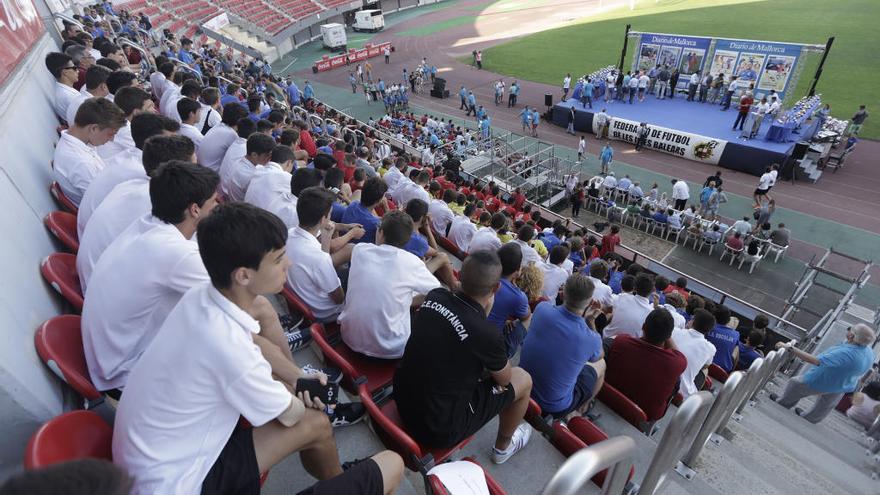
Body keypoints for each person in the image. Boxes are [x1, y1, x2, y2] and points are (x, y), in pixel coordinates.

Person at [112, 202, 403, 494]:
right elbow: (290, 414)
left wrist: (297, 377)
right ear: (243, 275)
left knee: (312, 417)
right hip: (180, 483)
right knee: (344, 436)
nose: (288, 264)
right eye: (278, 259)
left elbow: (254, 343)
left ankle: (337, 478)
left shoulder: (202, 297)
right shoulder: (229, 349)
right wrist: (299, 391)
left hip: (151, 461)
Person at [82, 161, 218, 393]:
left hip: (107, 355)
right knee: (228, 332)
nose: (218, 206)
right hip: (121, 374)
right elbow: (235, 297)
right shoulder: (174, 253)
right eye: (214, 202)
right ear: (195, 209)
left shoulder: (147, 225)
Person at [394, 250, 534, 463]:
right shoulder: (487, 334)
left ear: (459, 276)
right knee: (522, 378)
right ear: (495, 288)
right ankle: (503, 448)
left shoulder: (435, 296)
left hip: (402, 400)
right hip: (438, 428)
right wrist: (483, 320)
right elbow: (505, 380)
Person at [339, 211, 441, 359]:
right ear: (406, 241)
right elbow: (437, 294)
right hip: (388, 352)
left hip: (347, 336)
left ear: (380, 232)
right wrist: (410, 302)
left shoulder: (360, 250)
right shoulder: (412, 262)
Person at [520, 274, 606, 419]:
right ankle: (579, 410)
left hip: (523, 384)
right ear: (589, 302)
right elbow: (599, 355)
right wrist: (590, 321)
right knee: (601, 364)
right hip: (555, 406)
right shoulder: (591, 339)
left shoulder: (542, 308)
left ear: (563, 292)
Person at [287, 187, 364, 323]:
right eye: (330, 215)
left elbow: (320, 262)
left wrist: (329, 236)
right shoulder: (319, 258)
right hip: (324, 313)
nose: (330, 218)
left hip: (303, 297)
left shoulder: (288, 234)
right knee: (361, 279)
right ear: (323, 219)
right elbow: (338, 298)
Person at [771, 324, 875, 424]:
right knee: (826, 404)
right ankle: (811, 418)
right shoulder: (869, 351)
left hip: (824, 380)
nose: (848, 330)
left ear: (852, 336)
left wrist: (790, 348)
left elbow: (815, 360)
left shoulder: (846, 353)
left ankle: (783, 403)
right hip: (845, 383)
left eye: (850, 329)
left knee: (796, 384)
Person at [605, 309, 687, 421]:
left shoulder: (621, 341)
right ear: (669, 336)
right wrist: (666, 335)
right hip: (642, 418)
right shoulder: (677, 362)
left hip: (606, 398)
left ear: (643, 326)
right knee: (676, 381)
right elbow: (678, 354)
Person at [53, 98, 126, 206]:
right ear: (94, 129)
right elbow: (106, 203)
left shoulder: (77, 143)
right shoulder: (82, 163)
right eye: (110, 134)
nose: (111, 139)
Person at [487, 243, 532, 358]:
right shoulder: (519, 297)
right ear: (517, 270)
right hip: (489, 342)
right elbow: (526, 317)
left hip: (473, 326)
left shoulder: (483, 272)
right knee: (529, 317)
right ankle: (503, 358)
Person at [671, 308, 717, 397]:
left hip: (667, 384)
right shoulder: (711, 348)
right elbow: (705, 366)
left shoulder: (674, 332)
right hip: (685, 394)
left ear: (693, 322)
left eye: (692, 318)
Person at [603, 273, 655, 339]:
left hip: (606, 338)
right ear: (653, 290)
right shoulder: (651, 313)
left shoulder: (622, 297)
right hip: (624, 346)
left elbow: (606, 308)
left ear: (634, 287)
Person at [340, 177, 388, 243]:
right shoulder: (376, 224)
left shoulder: (353, 204)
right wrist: (386, 208)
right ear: (379, 200)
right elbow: (390, 224)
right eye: (383, 196)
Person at [45, 52, 81, 123]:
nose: (78, 71)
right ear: (65, 72)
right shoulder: (70, 96)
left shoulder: (64, 91)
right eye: (74, 68)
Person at [706, 305, 740, 373]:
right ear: (728, 320)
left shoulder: (707, 327)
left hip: (704, 365)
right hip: (723, 372)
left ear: (714, 317)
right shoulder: (736, 334)